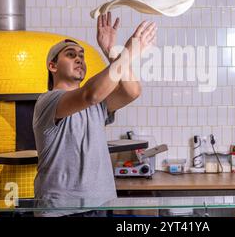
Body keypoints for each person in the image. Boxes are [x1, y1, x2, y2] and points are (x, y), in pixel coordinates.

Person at [32, 12, 157, 217]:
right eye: (71, 54)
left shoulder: (97, 105)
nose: (79, 58)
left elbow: (132, 91)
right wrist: (129, 52)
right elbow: (91, 94)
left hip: (100, 204)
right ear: (52, 66)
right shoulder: (48, 101)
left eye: (81, 55)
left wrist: (111, 51)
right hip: (62, 211)